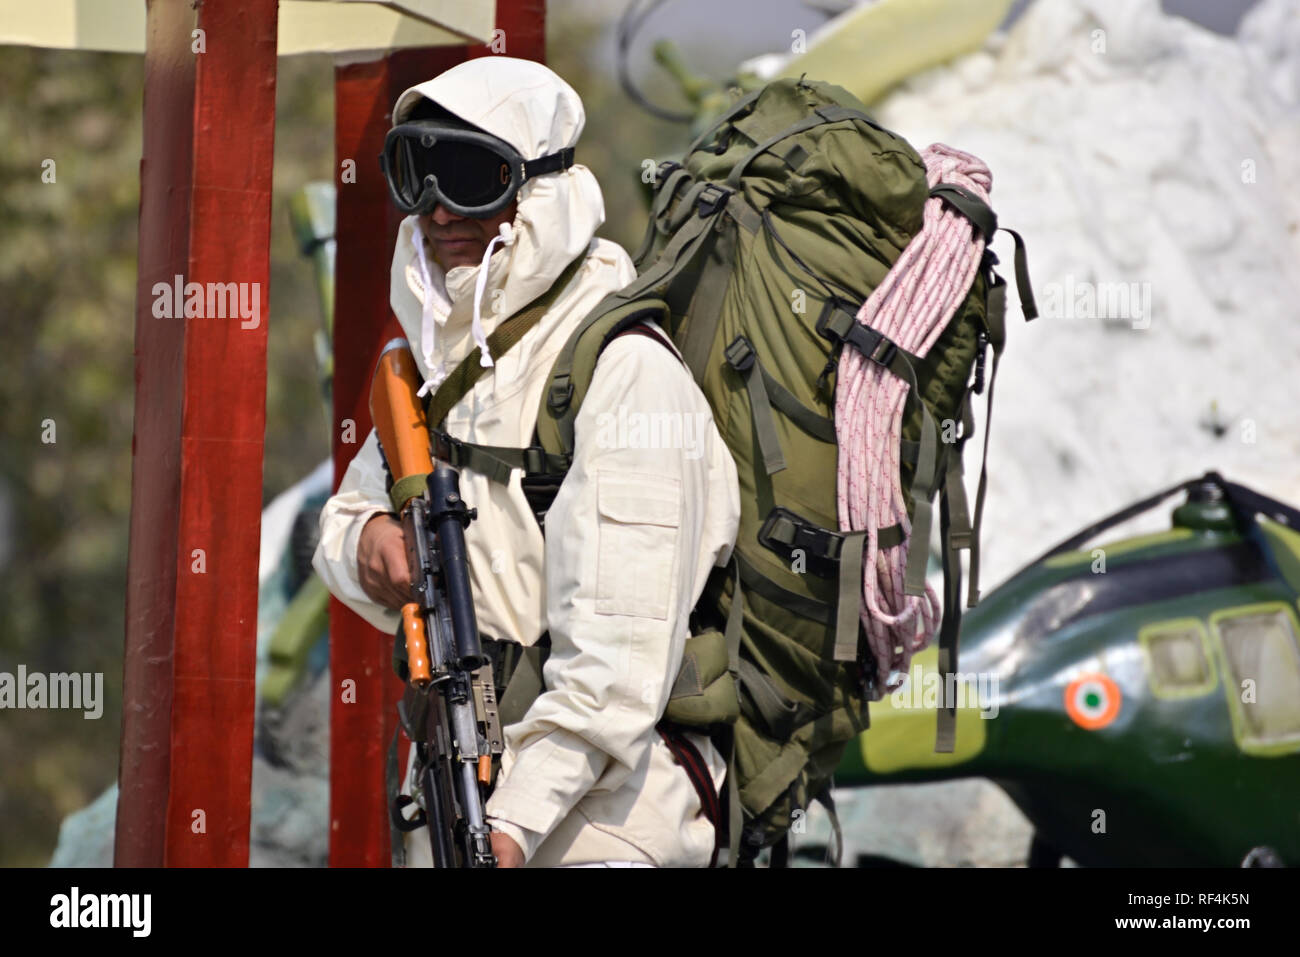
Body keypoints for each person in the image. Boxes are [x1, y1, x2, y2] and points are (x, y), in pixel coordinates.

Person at [311, 56, 740, 867]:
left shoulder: (624, 373)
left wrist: (505, 830)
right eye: (416, 172)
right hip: (469, 793)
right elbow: (343, 523)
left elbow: (611, 671)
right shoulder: (449, 368)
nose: (438, 210)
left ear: (539, 191)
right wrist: (370, 544)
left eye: (472, 176)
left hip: (610, 821)